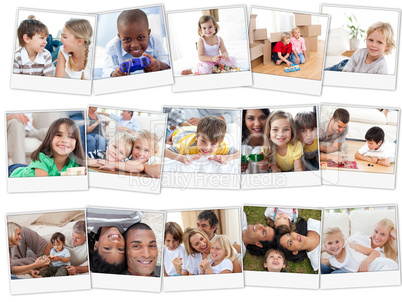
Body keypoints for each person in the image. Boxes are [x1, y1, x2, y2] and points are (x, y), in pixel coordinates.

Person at [102, 9, 170, 78]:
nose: (135, 45)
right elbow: (106, 72)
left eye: (140, 38)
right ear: (119, 37)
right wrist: (115, 74)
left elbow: (167, 63)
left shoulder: (155, 41)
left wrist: (159, 65)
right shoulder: (112, 47)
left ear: (148, 33)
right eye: (127, 39)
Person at [9, 118, 85, 177]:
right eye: (59, 135)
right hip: (13, 172)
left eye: (70, 136)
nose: (64, 140)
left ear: (77, 142)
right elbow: (45, 186)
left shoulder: (74, 161)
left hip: (30, 168)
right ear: (50, 138)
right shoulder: (42, 157)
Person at [164, 115, 239, 165]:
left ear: (219, 143)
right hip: (181, 133)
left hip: (194, 131)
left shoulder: (221, 147)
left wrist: (225, 157)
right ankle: (179, 125)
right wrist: (182, 158)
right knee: (168, 133)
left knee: (194, 128)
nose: (207, 147)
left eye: (213, 144)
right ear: (197, 137)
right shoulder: (187, 145)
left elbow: (239, 154)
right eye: (203, 141)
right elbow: (165, 152)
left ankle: (187, 125)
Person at [87, 208, 142, 274]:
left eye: (107, 248)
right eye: (120, 249)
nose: (116, 242)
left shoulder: (88, 221)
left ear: (96, 245)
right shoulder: (134, 221)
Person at [326, 22, 395, 74]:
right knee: (325, 73)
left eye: (379, 42)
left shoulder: (381, 67)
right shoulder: (359, 53)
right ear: (366, 39)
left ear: (387, 46)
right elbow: (346, 72)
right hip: (345, 66)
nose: (373, 45)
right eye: (371, 40)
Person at [321, 227, 398, 273]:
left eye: (337, 242)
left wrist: (365, 262)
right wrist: (324, 248)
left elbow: (375, 252)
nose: (334, 246)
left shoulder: (350, 246)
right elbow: (314, 258)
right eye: (330, 243)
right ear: (325, 245)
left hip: (381, 266)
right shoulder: (332, 261)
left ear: (343, 241)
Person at [174, 228, 241, 275]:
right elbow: (192, 281)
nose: (203, 244)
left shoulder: (225, 250)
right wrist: (178, 271)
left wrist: (207, 269)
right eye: (197, 244)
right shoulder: (193, 258)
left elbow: (238, 275)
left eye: (202, 239)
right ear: (192, 247)